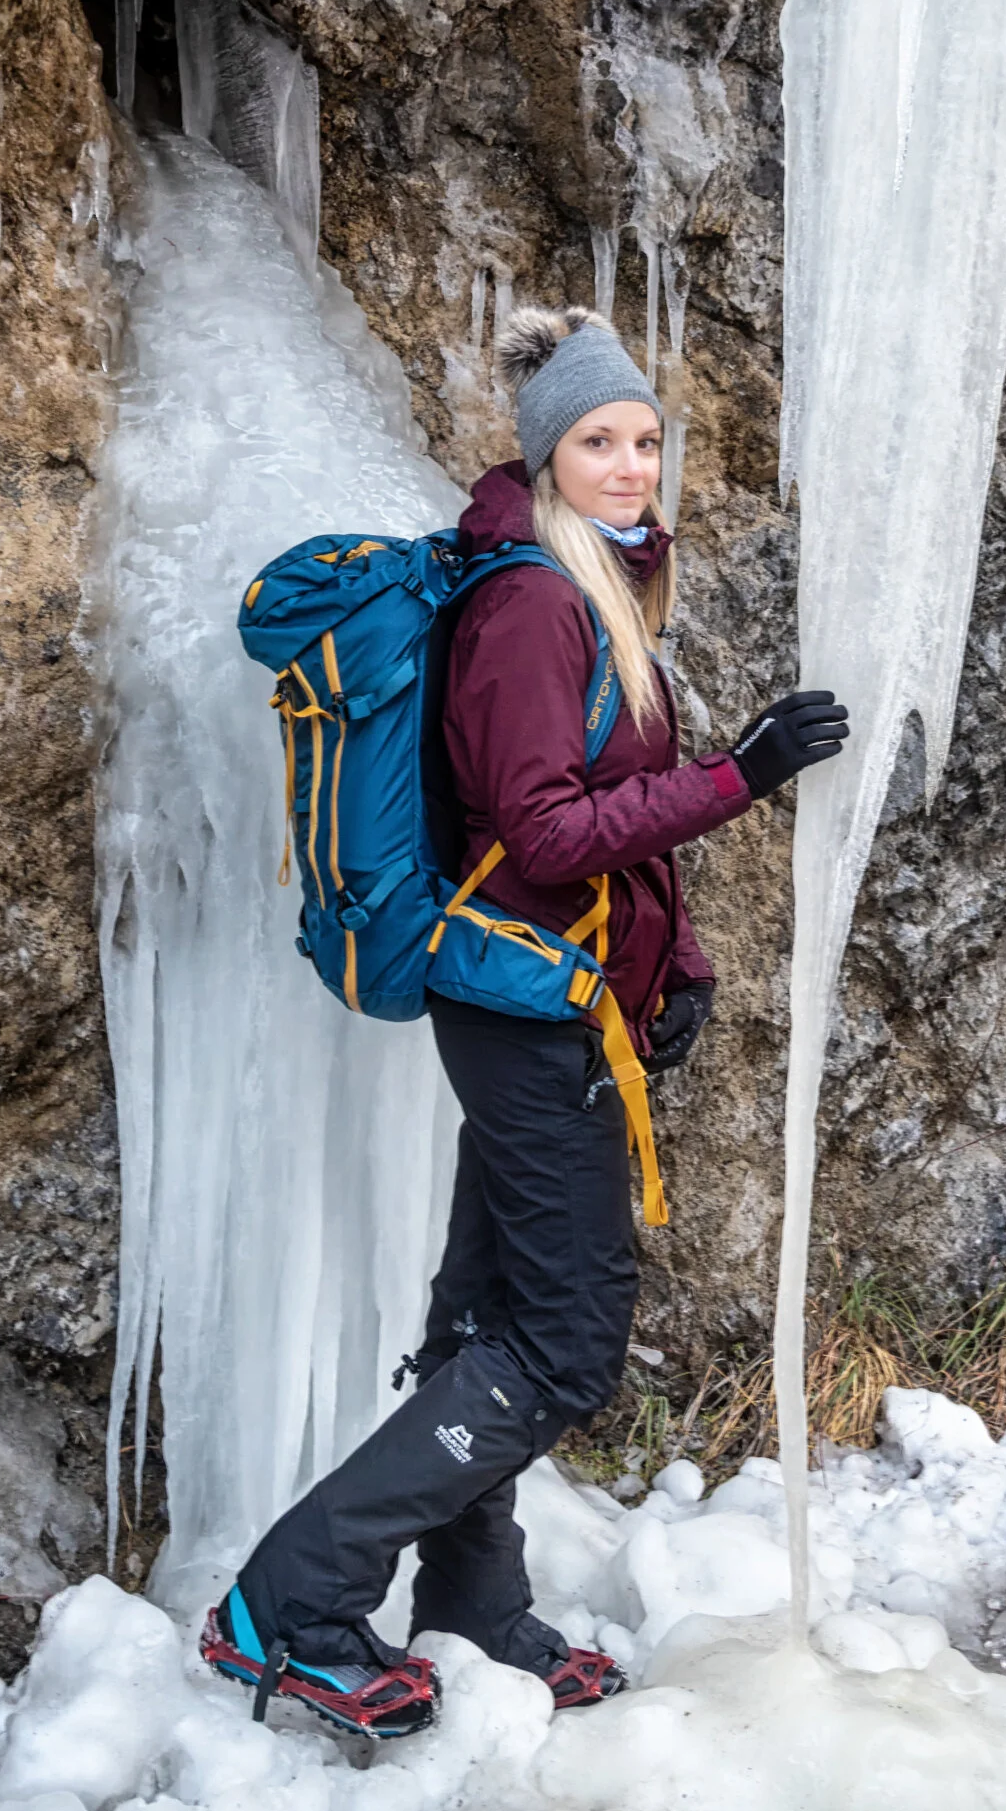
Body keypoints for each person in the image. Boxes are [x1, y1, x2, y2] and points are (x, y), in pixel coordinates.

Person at [202, 304, 848, 1734]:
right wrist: (739, 775)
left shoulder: (594, 585)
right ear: (546, 455)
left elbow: (603, 841)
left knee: (486, 1313)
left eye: (645, 441)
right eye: (599, 441)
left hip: (560, 995)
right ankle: (288, 1600)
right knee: (563, 1344)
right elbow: (547, 833)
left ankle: (473, 1599)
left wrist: (673, 969)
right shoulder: (532, 606)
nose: (631, 467)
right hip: (519, 1005)